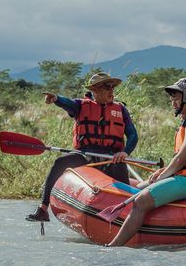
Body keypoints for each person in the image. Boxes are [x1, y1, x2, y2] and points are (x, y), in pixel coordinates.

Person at [108, 78, 186, 246]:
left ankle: (113, 247)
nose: (173, 103)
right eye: (172, 99)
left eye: (176, 98)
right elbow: (180, 162)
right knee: (136, 189)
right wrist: (162, 173)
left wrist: (164, 175)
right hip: (185, 178)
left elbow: (181, 158)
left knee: (141, 200)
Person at [26, 72, 138, 222]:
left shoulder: (121, 110)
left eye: (113, 87)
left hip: (112, 158)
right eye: (107, 87)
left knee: (123, 183)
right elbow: (67, 103)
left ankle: (129, 217)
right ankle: (43, 209)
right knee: (60, 163)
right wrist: (55, 98)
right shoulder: (80, 106)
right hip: (85, 156)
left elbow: (133, 135)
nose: (112, 91)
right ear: (95, 90)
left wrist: (125, 152)